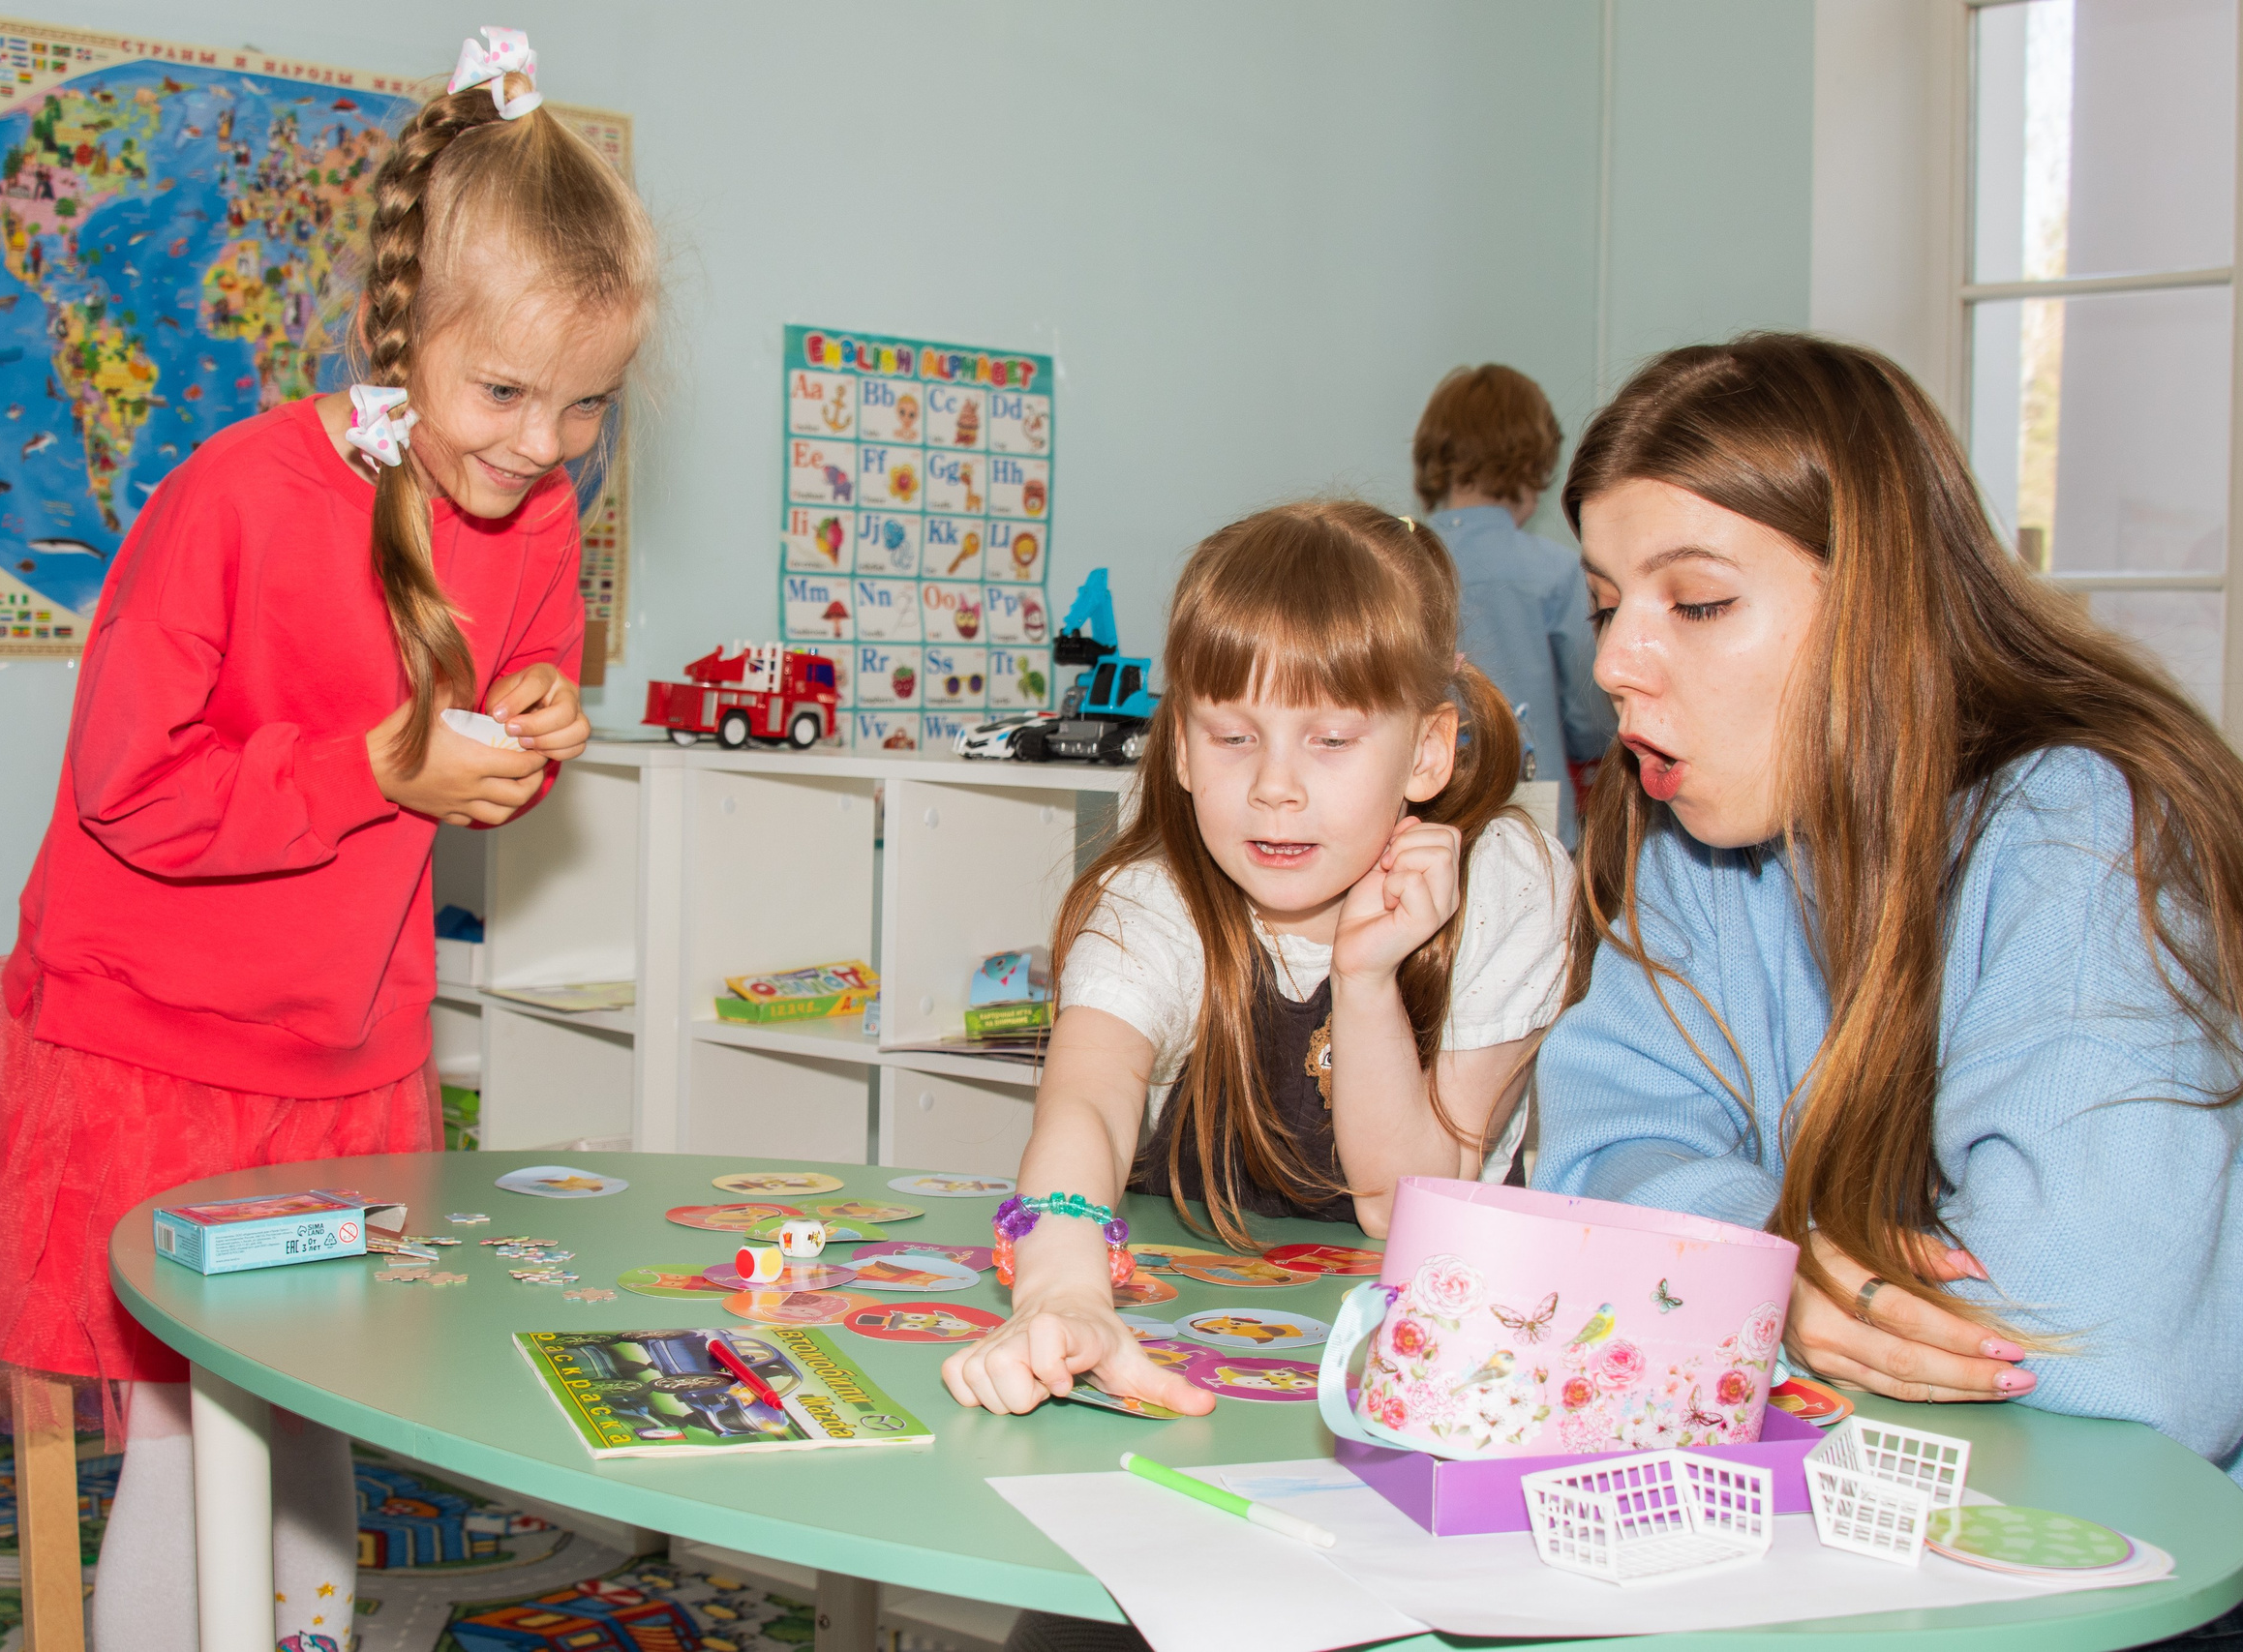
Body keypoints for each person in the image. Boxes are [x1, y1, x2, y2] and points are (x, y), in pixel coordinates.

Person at [0, 32, 654, 1652]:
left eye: (589, 404)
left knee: (316, 1406)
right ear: (401, 329)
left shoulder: (539, 507)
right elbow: (130, 793)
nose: (544, 441)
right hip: (149, 1040)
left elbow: (496, 739)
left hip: (343, 1044)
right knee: (189, 1429)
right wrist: (383, 759)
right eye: (506, 391)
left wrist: (534, 732)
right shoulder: (234, 500)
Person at [1534, 335, 2243, 1499]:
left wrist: (1724, 1264)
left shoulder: (2083, 827)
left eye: (1697, 602)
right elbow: (1588, 1159)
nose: (1616, 661)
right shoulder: (1694, 827)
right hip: (1844, 1510)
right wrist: (1779, 1264)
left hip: (2113, 1556)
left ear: (1879, 598)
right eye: (1608, 604)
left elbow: (2095, 1342)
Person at [945, 501, 1573, 1426]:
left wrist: (1363, 982)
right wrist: (1062, 1289)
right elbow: (1089, 1095)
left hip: (1415, 1369)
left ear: (1428, 750)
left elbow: (1403, 1213)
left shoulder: (1507, 883)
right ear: (1186, 750)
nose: (1276, 786)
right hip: (1188, 1336)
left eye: (1332, 739)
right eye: (1234, 736)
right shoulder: (1157, 896)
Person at [1414, 363, 1616, 849]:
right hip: (1532, 815)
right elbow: (1590, 715)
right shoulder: (1555, 571)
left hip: (1423, 810)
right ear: (1533, 464)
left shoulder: (1399, 560)